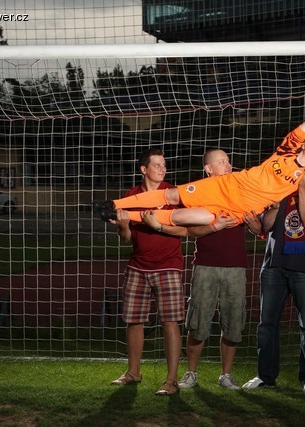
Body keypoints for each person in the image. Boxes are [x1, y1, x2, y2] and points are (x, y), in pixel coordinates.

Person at [93, 114, 305, 227]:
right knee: (171, 196)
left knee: (180, 217)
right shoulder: (286, 150)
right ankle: (114, 205)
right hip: (226, 186)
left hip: (234, 211)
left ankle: (122, 216)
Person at [142, 149, 263, 391]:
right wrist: (216, 225)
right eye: (221, 162)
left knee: (233, 323)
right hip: (205, 265)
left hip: (235, 267)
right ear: (208, 169)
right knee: (198, 323)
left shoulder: (241, 190)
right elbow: (190, 231)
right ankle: (191, 373)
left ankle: (226, 375)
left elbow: (259, 228)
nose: (228, 165)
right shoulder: (198, 192)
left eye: (228, 161)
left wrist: (253, 224)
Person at [241, 159, 305, 394]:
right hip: (274, 265)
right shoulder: (277, 186)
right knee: (267, 324)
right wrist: (273, 208)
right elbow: (266, 227)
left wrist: (302, 187)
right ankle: (266, 376)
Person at [108, 148, 188, 396]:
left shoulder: (172, 193)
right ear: (144, 169)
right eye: (157, 165)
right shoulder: (131, 196)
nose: (163, 169)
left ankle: (171, 380)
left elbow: (185, 230)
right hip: (138, 266)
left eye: (164, 165)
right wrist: (123, 226)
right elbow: (126, 237)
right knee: (134, 321)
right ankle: (133, 372)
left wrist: (159, 226)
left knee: (170, 322)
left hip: (168, 265)